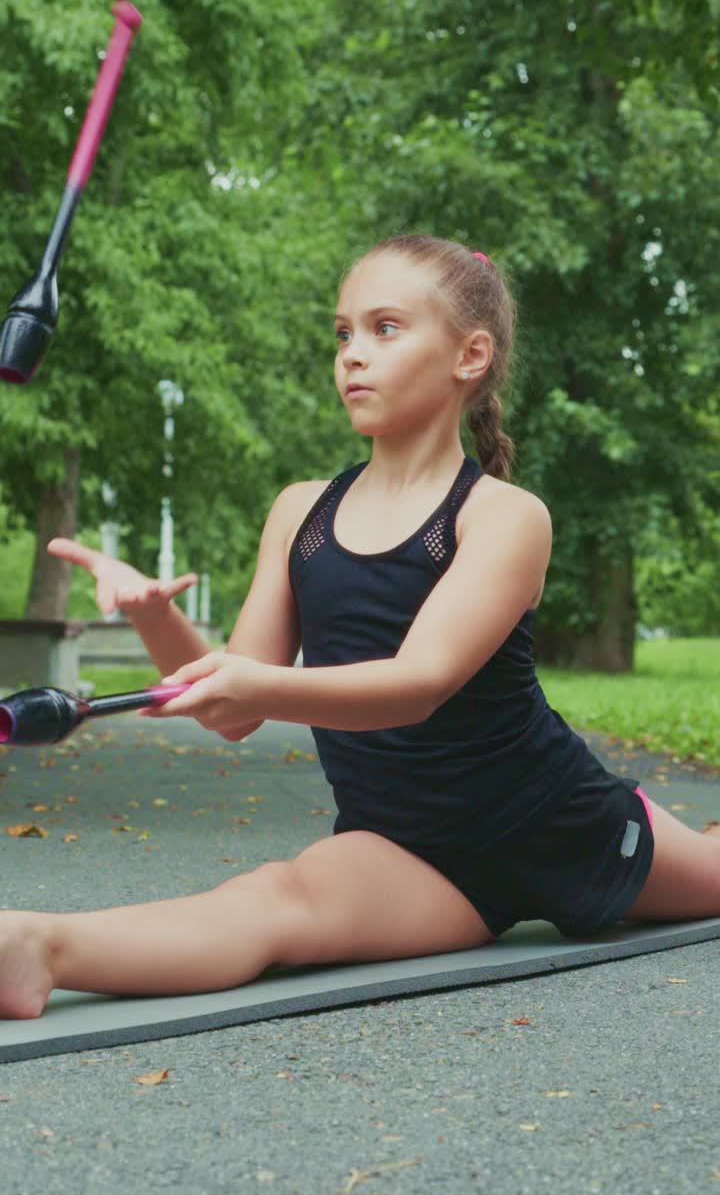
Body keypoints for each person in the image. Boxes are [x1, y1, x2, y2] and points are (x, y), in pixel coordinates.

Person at [0, 234, 716, 1022]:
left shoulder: (505, 517)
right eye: (343, 333)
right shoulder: (301, 512)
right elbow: (234, 710)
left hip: (556, 821)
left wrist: (250, 678)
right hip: (408, 849)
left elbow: (418, 685)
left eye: (385, 328)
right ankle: (36, 948)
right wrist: (156, 617)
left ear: (470, 356)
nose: (352, 355)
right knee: (273, 900)